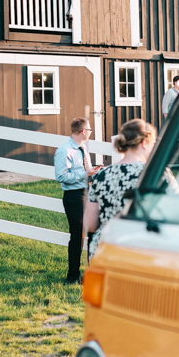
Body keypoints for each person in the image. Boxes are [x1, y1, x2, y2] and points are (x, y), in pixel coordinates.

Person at [84, 119, 156, 260]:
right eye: (153, 144)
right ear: (144, 143)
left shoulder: (101, 176)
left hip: (106, 251)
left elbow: (90, 224)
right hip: (143, 253)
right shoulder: (156, 174)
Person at [55, 117, 101, 283]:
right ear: (83, 131)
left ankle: (92, 272)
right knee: (78, 236)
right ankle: (73, 276)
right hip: (74, 196)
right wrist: (84, 174)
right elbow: (61, 176)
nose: (89, 133)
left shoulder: (83, 148)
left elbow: (83, 170)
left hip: (87, 193)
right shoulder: (64, 151)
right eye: (89, 130)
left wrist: (92, 172)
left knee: (93, 233)